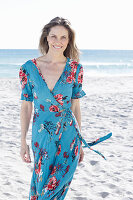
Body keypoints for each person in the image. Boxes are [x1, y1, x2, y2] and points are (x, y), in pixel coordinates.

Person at [19, 16, 112, 200]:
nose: (58, 42)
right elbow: (26, 106)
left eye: (64, 37)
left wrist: (80, 141)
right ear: (46, 37)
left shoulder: (75, 69)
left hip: (69, 137)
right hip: (42, 137)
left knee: (57, 189)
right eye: (54, 36)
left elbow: (76, 106)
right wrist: (23, 141)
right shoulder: (28, 68)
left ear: (69, 41)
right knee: (42, 186)